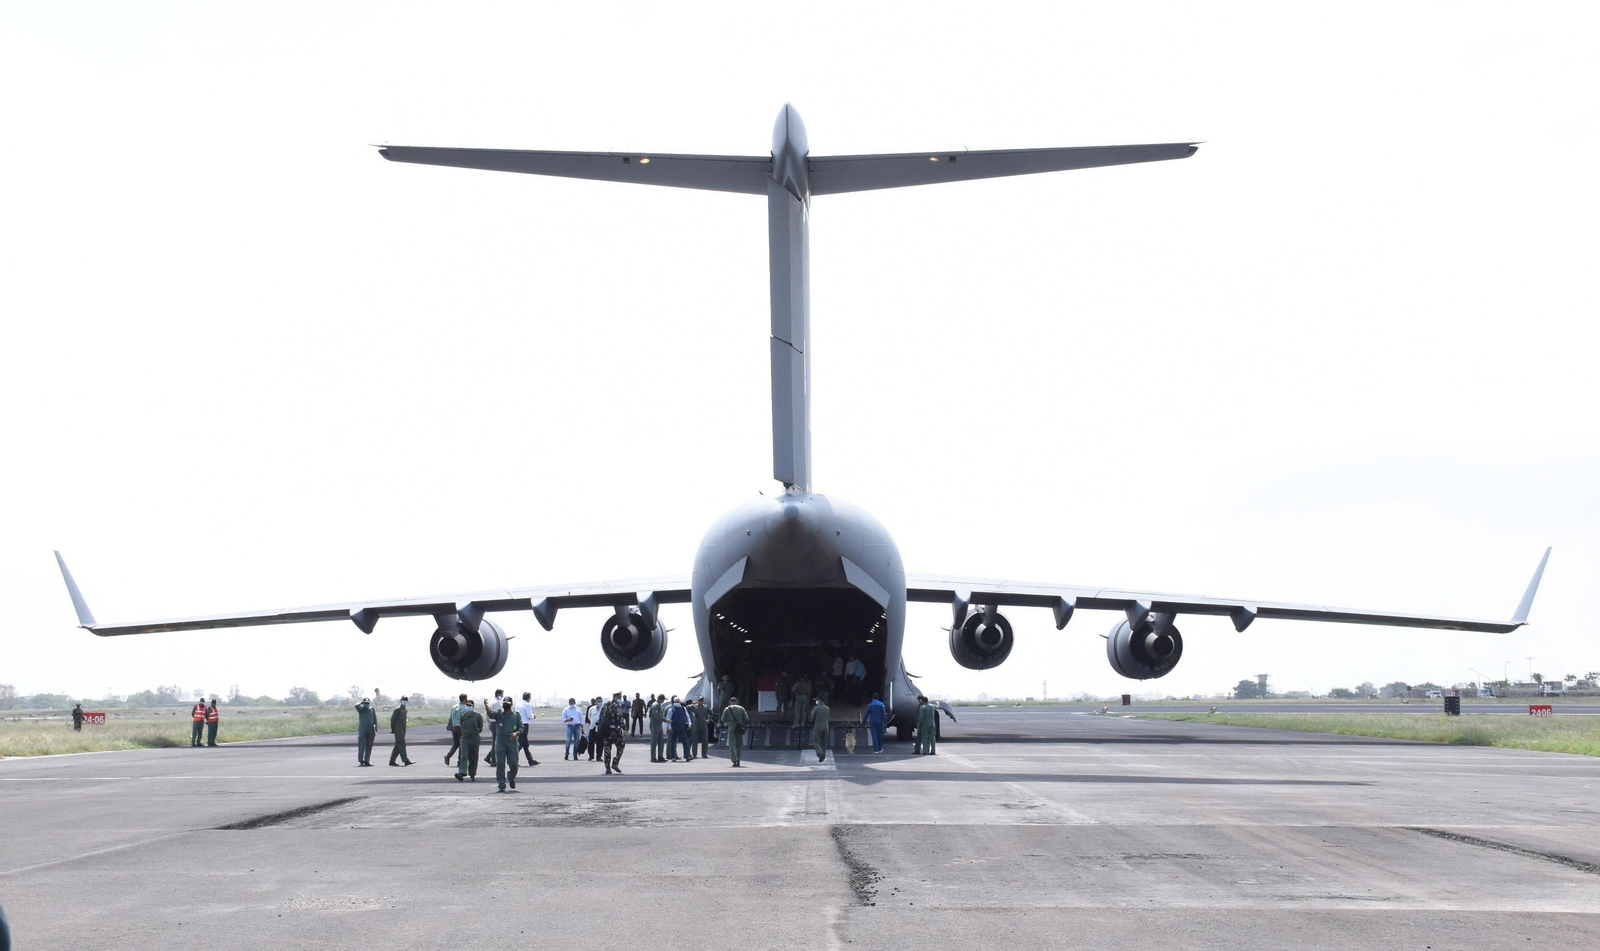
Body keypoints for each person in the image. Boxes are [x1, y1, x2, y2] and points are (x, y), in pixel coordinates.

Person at [494, 698, 523, 792]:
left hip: (512, 743)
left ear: (511, 704)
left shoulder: (516, 715)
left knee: (514, 764)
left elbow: (521, 727)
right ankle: (501, 784)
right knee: (500, 764)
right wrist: (486, 706)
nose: (506, 705)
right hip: (501, 742)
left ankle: (511, 777)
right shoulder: (499, 714)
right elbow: (490, 714)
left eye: (507, 703)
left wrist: (517, 733)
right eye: (504, 703)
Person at [599, 690, 629, 775]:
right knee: (621, 746)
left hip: (606, 730)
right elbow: (619, 718)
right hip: (615, 731)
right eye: (620, 697)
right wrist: (624, 728)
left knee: (607, 749)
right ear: (617, 697)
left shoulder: (605, 705)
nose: (620, 699)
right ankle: (615, 763)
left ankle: (607, 768)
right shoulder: (617, 706)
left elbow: (601, 717)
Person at [455, 699, 482, 782]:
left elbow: (480, 728)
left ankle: (472, 773)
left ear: (473, 706)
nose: (468, 707)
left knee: (473, 757)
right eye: (467, 705)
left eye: (470, 705)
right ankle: (462, 773)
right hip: (465, 738)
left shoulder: (478, 716)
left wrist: (475, 730)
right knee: (464, 756)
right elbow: (461, 726)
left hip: (474, 738)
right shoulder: (463, 716)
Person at [720, 696, 749, 767]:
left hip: (731, 727)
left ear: (730, 702)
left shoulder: (727, 709)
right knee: (739, 745)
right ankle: (738, 760)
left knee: (732, 745)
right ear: (737, 702)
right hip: (739, 727)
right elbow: (746, 718)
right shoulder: (741, 708)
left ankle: (734, 761)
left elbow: (722, 719)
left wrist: (727, 722)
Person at [388, 696, 414, 766]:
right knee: (402, 744)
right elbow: (393, 720)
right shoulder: (398, 709)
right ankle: (405, 760)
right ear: (401, 700)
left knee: (398, 745)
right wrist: (392, 729)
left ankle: (392, 760)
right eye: (404, 700)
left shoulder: (405, 710)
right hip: (398, 729)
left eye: (406, 700)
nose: (405, 701)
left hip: (403, 729)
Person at [516, 692, 539, 766]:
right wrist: (533, 716)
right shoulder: (527, 705)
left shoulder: (518, 704)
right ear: (529, 698)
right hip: (525, 724)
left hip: (518, 724)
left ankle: (530, 760)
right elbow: (529, 716)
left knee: (525, 744)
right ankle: (513, 759)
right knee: (521, 743)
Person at [484, 688, 506, 767]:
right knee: (495, 742)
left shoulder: (491, 701)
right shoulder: (497, 703)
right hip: (495, 723)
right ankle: (493, 760)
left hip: (491, 722)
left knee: (496, 741)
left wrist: (488, 721)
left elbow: (487, 713)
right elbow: (499, 714)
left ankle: (489, 757)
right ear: (499, 694)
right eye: (502, 694)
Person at [667, 695, 691, 761]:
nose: (677, 703)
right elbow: (668, 719)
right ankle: (673, 757)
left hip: (682, 728)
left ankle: (687, 756)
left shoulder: (683, 709)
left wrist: (689, 724)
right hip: (674, 729)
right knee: (673, 743)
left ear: (680, 702)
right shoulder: (671, 710)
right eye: (675, 702)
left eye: (678, 701)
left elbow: (687, 716)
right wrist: (669, 728)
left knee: (685, 743)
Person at [354, 697, 377, 766]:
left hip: (370, 729)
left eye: (368, 703)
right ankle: (361, 760)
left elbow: (375, 720)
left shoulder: (372, 709)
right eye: (365, 703)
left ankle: (367, 760)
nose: (367, 704)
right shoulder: (361, 709)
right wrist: (362, 702)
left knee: (369, 746)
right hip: (363, 730)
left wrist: (375, 730)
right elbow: (356, 705)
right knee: (362, 745)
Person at [446, 693, 468, 765]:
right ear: (465, 699)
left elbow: (450, 718)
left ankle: (448, 756)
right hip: (461, 727)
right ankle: (460, 761)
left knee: (456, 744)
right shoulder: (465, 708)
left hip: (454, 727)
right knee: (462, 745)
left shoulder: (454, 707)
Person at [810, 696, 831, 762]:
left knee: (816, 742)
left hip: (818, 725)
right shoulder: (827, 708)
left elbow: (812, 717)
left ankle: (820, 753)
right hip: (826, 726)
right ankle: (823, 756)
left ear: (820, 700)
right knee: (824, 742)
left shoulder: (816, 708)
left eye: (817, 700)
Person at [648, 694, 667, 763]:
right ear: (661, 699)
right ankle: (653, 757)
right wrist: (666, 720)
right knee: (654, 742)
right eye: (663, 699)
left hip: (659, 725)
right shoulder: (655, 706)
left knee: (661, 742)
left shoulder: (658, 705)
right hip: (655, 726)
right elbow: (656, 716)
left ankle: (660, 756)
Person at [585, 696, 604, 761]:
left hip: (600, 728)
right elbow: (589, 717)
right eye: (599, 701)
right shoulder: (591, 709)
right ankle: (591, 756)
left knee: (600, 743)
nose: (600, 703)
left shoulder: (603, 709)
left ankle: (599, 756)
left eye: (601, 701)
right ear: (595, 702)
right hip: (593, 727)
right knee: (591, 742)